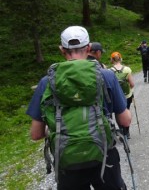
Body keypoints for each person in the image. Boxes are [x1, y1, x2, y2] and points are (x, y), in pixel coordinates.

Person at [26, 26, 131, 190]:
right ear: (89, 48)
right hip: (103, 155)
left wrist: (57, 128)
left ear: (62, 50)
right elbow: (125, 120)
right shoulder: (106, 75)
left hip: (67, 161)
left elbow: (36, 134)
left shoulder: (47, 82)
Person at [110, 51, 135, 139]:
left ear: (112, 60)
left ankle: (121, 130)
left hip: (116, 97)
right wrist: (131, 91)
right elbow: (132, 84)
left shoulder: (110, 71)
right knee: (126, 110)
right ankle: (127, 132)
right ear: (120, 58)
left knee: (118, 113)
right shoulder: (127, 69)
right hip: (127, 95)